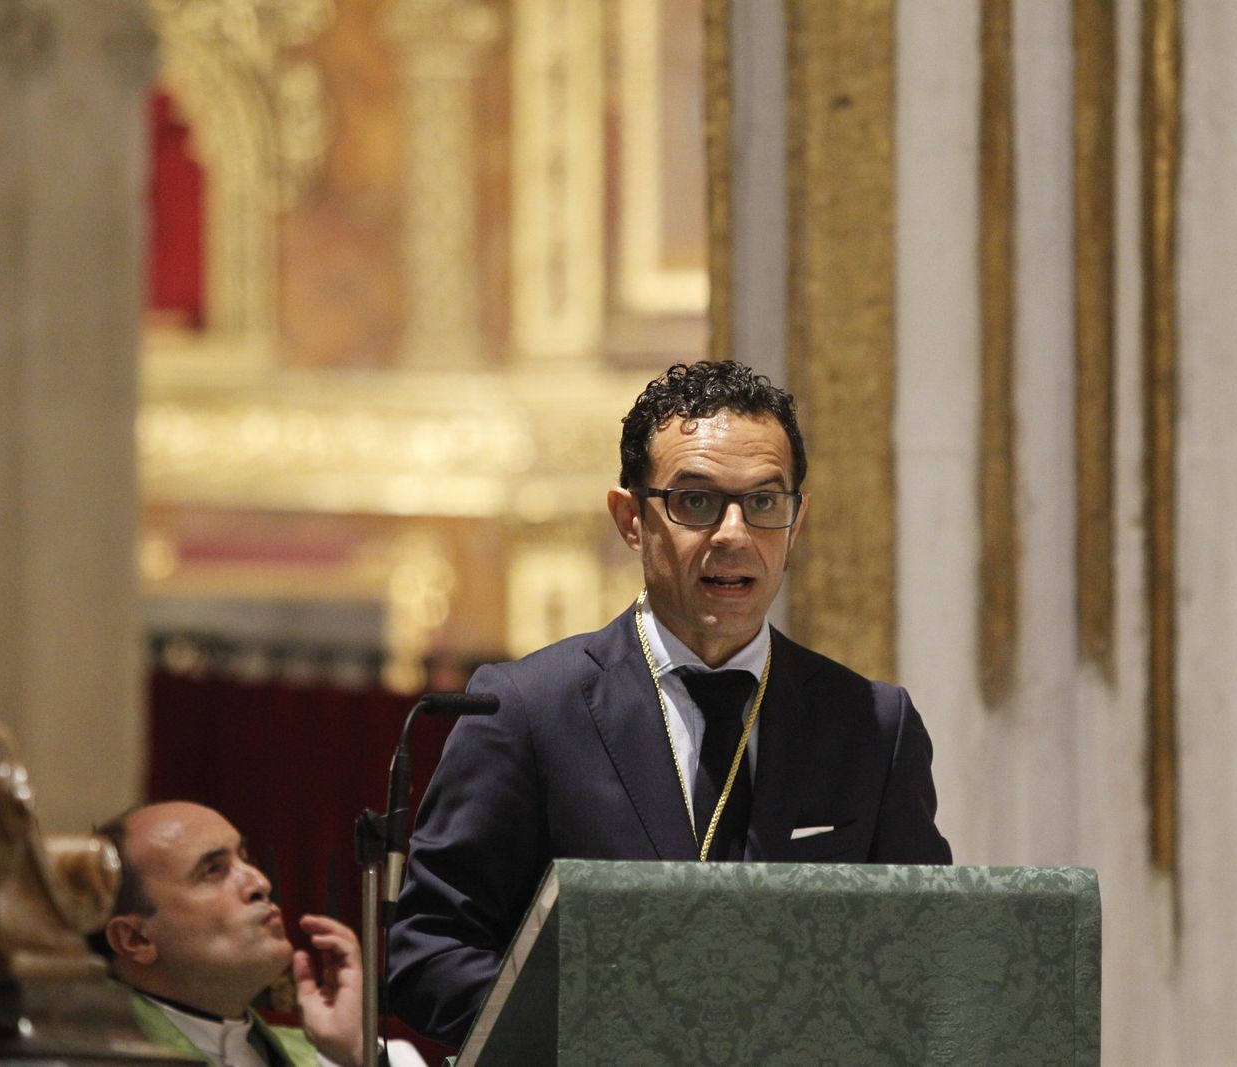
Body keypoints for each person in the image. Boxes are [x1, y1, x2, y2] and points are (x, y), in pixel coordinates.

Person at [387, 360, 952, 1047]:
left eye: (765, 503)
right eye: (696, 501)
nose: (735, 534)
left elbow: (925, 957)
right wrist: (608, 1030)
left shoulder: (872, 726)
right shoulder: (528, 710)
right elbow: (429, 950)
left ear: (797, 522)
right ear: (630, 519)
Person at [90, 801, 368, 1067]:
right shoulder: (88, 1054)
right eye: (213, 870)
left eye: (245, 858)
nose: (261, 883)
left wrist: (355, 1057)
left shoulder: (334, 1052)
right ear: (135, 939)